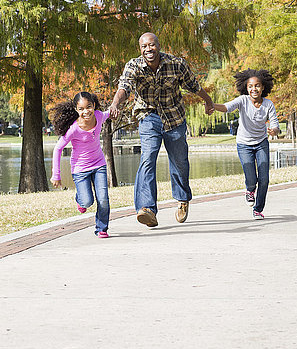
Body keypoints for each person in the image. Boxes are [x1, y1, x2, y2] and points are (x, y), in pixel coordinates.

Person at [109, 32, 214, 228]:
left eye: (152, 45)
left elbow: (194, 85)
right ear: (140, 49)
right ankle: (147, 209)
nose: (148, 49)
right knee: (148, 157)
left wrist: (208, 101)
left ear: (158, 45)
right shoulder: (133, 65)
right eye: (144, 46)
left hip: (174, 117)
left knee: (179, 162)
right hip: (148, 116)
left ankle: (183, 199)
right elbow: (125, 87)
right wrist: (115, 103)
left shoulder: (176, 64)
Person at [213, 69, 280, 220]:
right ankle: (250, 190)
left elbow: (275, 124)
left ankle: (258, 209)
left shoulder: (268, 104)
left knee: (264, 179)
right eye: (250, 86)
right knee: (251, 178)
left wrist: (274, 131)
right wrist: (211, 104)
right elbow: (226, 107)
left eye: (257, 86)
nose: (254, 89)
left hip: (261, 143)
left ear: (263, 87)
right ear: (246, 87)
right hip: (244, 144)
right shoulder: (243, 100)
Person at [50, 92, 110, 238]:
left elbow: (108, 113)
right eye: (81, 109)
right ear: (76, 109)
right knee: (87, 201)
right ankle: (80, 199)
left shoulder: (99, 116)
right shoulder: (73, 128)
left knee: (103, 199)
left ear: (93, 106)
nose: (86, 112)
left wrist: (114, 109)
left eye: (88, 107)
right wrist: (56, 175)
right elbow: (58, 149)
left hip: (99, 164)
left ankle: (102, 228)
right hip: (80, 169)